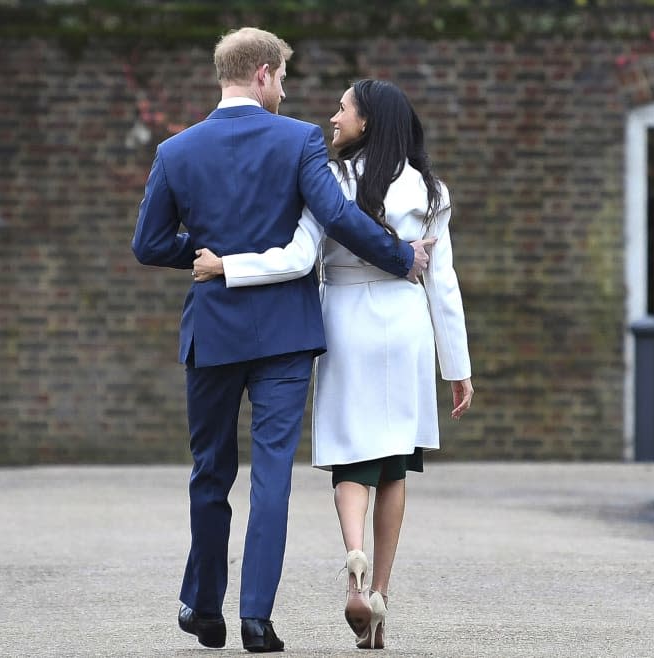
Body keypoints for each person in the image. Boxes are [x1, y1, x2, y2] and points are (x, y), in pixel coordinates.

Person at [130, 28, 433, 653]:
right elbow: (341, 220)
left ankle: (202, 605)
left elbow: (149, 244)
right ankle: (255, 620)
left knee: (210, 473)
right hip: (286, 337)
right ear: (264, 73)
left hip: (213, 332)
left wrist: (213, 253)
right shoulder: (297, 140)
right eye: (285, 77)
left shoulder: (176, 151)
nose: (287, 90)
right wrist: (402, 258)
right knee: (272, 477)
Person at [192, 79, 474, 650]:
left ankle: (355, 564)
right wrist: (458, 367)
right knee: (396, 462)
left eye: (343, 107)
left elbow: (297, 259)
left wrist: (229, 267)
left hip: (346, 320)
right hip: (408, 324)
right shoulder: (432, 190)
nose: (332, 115)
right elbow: (443, 284)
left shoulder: (332, 178)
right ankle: (382, 597)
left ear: (367, 121)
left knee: (352, 454)